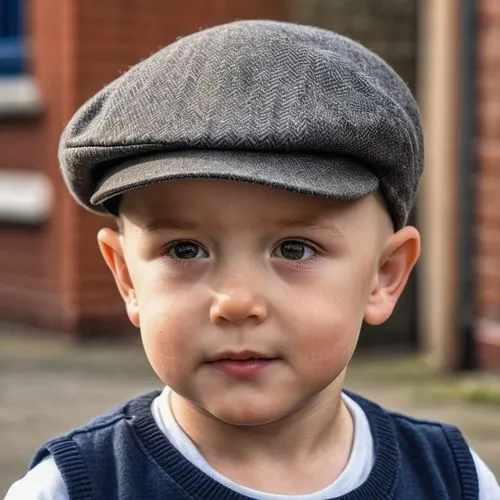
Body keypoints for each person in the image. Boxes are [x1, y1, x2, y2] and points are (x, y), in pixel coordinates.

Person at [5, 20, 499, 500]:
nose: (236, 302)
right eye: (185, 249)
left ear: (383, 276)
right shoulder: (74, 487)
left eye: (294, 249)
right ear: (127, 277)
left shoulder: (455, 481)